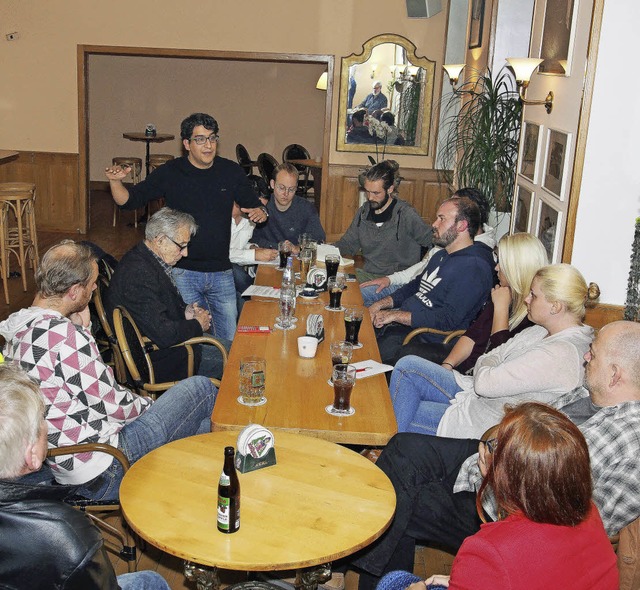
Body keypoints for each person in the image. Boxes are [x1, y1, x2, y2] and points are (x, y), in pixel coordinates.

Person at [350, 320, 640, 590]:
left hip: (507, 506)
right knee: (404, 448)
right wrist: (496, 448)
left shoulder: (627, 439)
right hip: (500, 462)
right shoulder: (588, 396)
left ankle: (370, 573)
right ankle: (370, 566)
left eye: (593, 353)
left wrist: (499, 475)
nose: (586, 357)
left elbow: (577, 524)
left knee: (397, 498)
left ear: (615, 375)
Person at [0, 241, 217, 501]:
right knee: (200, 388)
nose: (95, 288)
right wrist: (150, 406)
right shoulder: (64, 337)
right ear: (73, 291)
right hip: (105, 465)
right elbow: (113, 405)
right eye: (91, 284)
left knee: (204, 427)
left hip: (67, 465)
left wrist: (82, 329)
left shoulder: (18, 329)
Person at [376, 403, 618, 590]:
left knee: (395, 581)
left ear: (508, 476)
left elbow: (511, 564)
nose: (486, 450)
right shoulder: (588, 512)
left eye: (494, 447)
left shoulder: (488, 550)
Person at [0, 362, 171, 590]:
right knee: (152, 581)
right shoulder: (66, 535)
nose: (47, 427)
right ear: (32, 454)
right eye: (43, 421)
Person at [105, 112, 269, 342]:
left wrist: (260, 212)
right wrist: (115, 182)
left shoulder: (230, 171)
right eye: (200, 139)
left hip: (221, 271)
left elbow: (254, 206)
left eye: (212, 138)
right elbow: (129, 200)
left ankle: (220, 378)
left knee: (228, 340)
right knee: (193, 342)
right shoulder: (171, 173)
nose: (208, 145)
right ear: (186, 144)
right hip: (183, 271)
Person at [391, 263, 597, 437]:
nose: (527, 299)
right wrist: (489, 365)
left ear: (556, 307)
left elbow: (485, 382)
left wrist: (489, 366)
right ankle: (390, 447)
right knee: (407, 366)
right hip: (474, 395)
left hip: (487, 423)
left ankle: (386, 451)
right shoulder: (539, 331)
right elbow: (491, 356)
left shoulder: (561, 354)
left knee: (405, 412)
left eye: (534, 295)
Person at [105, 207, 228, 382]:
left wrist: (186, 312)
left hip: (169, 348)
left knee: (237, 349)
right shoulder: (138, 274)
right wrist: (197, 324)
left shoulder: (146, 259)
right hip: (159, 361)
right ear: (161, 240)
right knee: (238, 360)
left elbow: (158, 309)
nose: (185, 253)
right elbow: (164, 334)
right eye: (182, 246)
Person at [369, 196, 494, 365]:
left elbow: (447, 319)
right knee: (356, 337)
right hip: (403, 328)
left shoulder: (474, 267)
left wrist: (396, 315)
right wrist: (380, 304)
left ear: (461, 225)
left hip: (424, 338)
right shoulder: (442, 254)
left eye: (441, 219)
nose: (434, 224)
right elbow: (414, 286)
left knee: (368, 359)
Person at [398, 232, 547, 370]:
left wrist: (500, 308)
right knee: (406, 356)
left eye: (501, 262)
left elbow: (499, 358)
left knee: (407, 360)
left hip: (480, 379)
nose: (496, 267)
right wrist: (447, 365)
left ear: (517, 269)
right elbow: (472, 335)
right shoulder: (503, 291)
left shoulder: (532, 316)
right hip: (466, 368)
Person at [360, 187, 495, 307]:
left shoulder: (474, 257)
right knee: (352, 290)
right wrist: (390, 279)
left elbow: (443, 311)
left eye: (443, 217)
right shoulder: (447, 244)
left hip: (416, 297)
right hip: (408, 285)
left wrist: (395, 313)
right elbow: (421, 271)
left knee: (358, 298)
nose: (434, 224)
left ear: (466, 220)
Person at [334, 160, 432, 282]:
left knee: (351, 294)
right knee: (331, 281)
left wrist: (421, 270)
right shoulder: (363, 213)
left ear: (390, 189)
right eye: (367, 192)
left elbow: (433, 241)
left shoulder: (406, 214)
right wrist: (322, 250)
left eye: (376, 193)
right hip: (369, 275)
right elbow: (348, 244)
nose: (370, 197)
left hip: (395, 280)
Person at [252, 162, 326, 252]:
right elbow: (251, 239)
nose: (286, 194)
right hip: (267, 256)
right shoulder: (262, 206)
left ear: (296, 188)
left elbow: (319, 241)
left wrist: (297, 248)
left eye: (291, 189)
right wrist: (280, 247)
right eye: (281, 188)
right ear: (272, 184)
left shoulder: (306, 208)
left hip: (296, 258)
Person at [230, 201, 278, 310]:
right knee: (238, 274)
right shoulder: (217, 217)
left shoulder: (249, 220)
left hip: (238, 262)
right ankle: (259, 301)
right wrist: (254, 255)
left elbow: (239, 244)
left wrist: (252, 247)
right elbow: (222, 253)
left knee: (266, 272)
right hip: (216, 265)